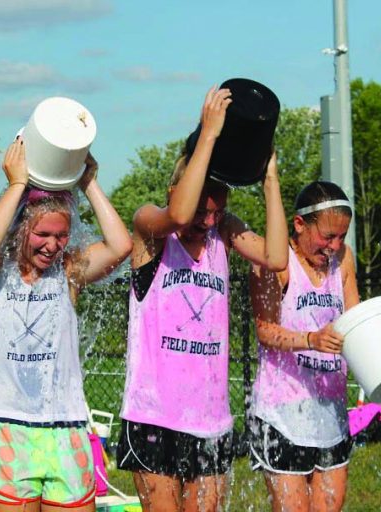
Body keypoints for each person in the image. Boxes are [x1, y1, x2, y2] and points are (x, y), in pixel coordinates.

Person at [116, 86, 288, 512]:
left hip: (210, 417)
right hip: (154, 416)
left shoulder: (222, 233)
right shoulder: (150, 229)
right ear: (178, 190)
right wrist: (208, 136)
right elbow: (177, 215)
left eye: (216, 212)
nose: (207, 221)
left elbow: (277, 257)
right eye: (202, 212)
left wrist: (270, 182)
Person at [0, 138, 132, 511]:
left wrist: (88, 183)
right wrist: (17, 185)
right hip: (1, 424)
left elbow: (120, 247)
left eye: (62, 235)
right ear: (21, 229)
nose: (53, 245)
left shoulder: (67, 274)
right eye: (42, 234)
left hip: (64, 425)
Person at [248, 181, 358, 512]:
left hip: (330, 410)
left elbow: (354, 320)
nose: (334, 246)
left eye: (341, 237)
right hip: (282, 412)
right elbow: (264, 330)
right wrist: (310, 340)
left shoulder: (344, 260)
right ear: (299, 224)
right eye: (327, 236)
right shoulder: (275, 263)